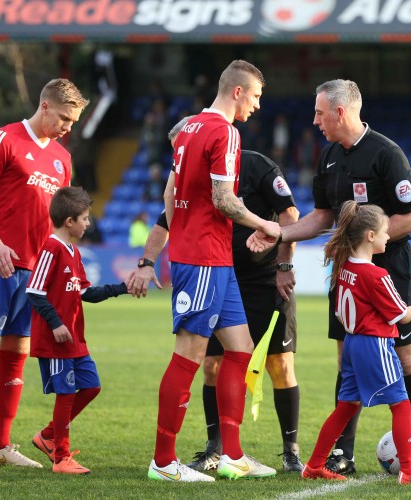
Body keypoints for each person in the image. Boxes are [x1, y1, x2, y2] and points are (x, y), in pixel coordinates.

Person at [254, 79, 411, 477]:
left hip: (386, 269)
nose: (315, 121)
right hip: (346, 274)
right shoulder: (329, 157)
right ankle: (343, 453)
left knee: (406, 357)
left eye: (320, 113)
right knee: (346, 358)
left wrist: (363, 241)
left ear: (340, 112)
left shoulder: (388, 154)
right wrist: (281, 234)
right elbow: (322, 216)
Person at [128, 116, 304, 474]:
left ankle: (262, 453)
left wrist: (284, 263)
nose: (182, 156)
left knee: (268, 360)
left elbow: (288, 215)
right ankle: (187, 455)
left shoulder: (254, 164)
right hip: (210, 267)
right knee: (203, 361)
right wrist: (147, 261)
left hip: (262, 275)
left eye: (184, 149)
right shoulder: (188, 175)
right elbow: (167, 216)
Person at [144, 59, 281, 483]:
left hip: (211, 255)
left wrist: (182, 228)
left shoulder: (187, 127)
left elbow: (171, 191)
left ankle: (232, 455)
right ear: (237, 91)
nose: (257, 106)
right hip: (203, 257)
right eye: (256, 96)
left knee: (239, 350)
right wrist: (265, 224)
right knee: (190, 355)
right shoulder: (225, 132)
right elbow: (224, 200)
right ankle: (164, 462)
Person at [300, 201, 411, 487]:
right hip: (374, 345)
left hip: (352, 344)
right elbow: (402, 316)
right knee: (402, 404)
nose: (387, 235)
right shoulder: (376, 275)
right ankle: (409, 470)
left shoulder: (344, 267)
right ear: (370, 236)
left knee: (346, 407)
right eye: (384, 231)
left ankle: (315, 464)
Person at [0, 78, 88, 467]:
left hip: (34, 274)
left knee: (16, 352)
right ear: (44, 106)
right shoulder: (5, 140)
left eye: (73, 122)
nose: (68, 127)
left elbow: (59, 226)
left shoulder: (62, 158)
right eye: (64, 118)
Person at [26, 187, 129, 474]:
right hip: (56, 337)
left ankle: (48, 435)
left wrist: (122, 287)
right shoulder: (51, 248)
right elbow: (34, 291)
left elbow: (87, 292)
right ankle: (61, 457)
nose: (88, 224)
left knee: (91, 385)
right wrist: (56, 324)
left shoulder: (74, 251)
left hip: (75, 338)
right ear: (69, 221)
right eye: (84, 218)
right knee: (67, 393)